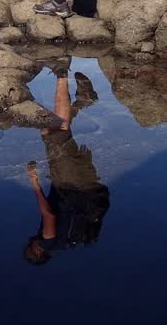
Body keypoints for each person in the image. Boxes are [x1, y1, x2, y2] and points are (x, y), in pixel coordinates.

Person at [22, 64, 108, 266]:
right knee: (57, 131)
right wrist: (35, 184)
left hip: (74, 186)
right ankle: (62, 73)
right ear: (37, 252)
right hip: (69, 184)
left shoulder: (63, 243)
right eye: (28, 247)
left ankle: (82, 100)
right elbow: (49, 214)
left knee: (50, 133)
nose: (29, 241)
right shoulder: (48, 242)